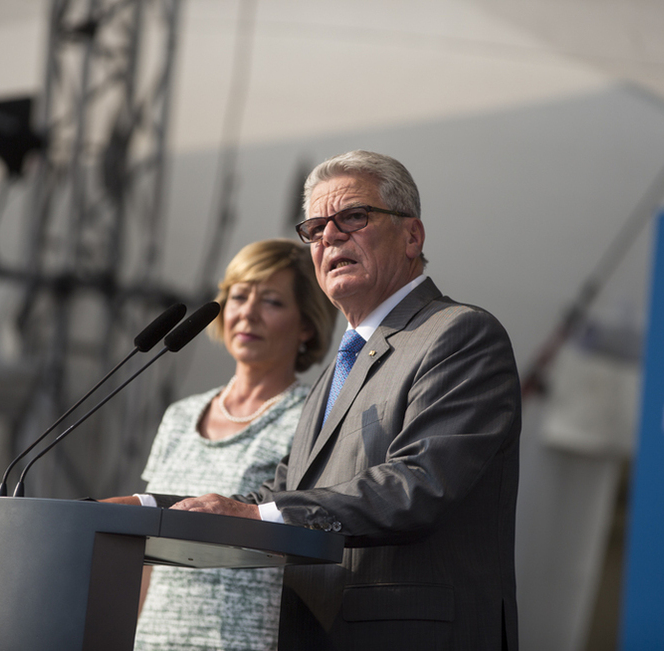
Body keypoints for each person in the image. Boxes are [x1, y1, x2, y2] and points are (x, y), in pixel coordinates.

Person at [154, 150, 522, 650]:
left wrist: (260, 517)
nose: (329, 236)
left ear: (412, 236)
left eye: (353, 217)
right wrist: (146, 507)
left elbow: (420, 484)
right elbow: (282, 491)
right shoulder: (340, 368)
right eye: (315, 228)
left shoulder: (458, 334)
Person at [110, 239, 337, 651]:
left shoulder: (313, 416)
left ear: (306, 324)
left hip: (251, 638)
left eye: (271, 301)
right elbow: (148, 546)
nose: (247, 312)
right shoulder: (180, 415)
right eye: (237, 296)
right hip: (155, 638)